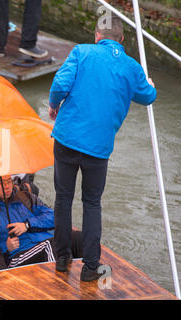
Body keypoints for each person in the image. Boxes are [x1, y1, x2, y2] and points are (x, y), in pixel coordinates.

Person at [48, 15, 156, 281]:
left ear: (97, 35)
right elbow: (147, 96)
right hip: (98, 149)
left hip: (67, 139)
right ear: (121, 40)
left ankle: (61, 259)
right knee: (92, 203)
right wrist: (151, 85)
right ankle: (90, 267)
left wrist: (54, 105)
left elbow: (61, 84)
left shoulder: (81, 52)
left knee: (63, 198)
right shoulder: (131, 68)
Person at [0, 175, 82, 268]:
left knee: (77, 237)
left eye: (9, 181)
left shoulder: (25, 197)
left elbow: (54, 217)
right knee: (51, 245)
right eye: (1, 183)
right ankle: (57, 283)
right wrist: (6, 247)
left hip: (46, 243)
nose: (7, 186)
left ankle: (90, 272)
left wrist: (27, 225)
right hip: (18, 256)